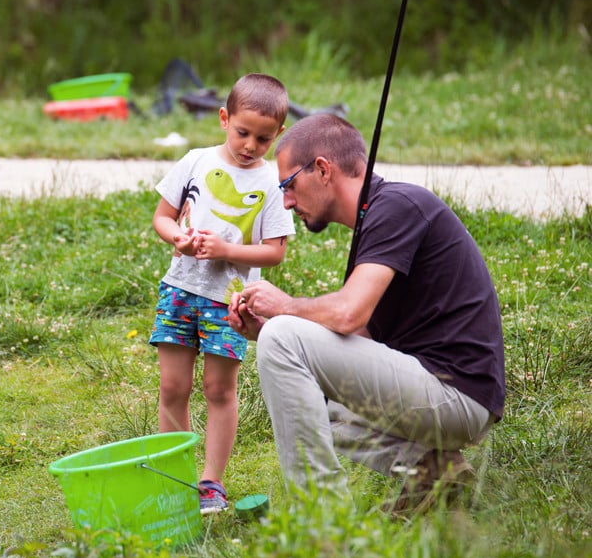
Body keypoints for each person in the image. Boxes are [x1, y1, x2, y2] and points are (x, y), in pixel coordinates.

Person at [228, 113, 505, 514]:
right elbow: (360, 339)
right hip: (439, 391)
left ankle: (321, 522)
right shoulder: (377, 220)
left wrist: (284, 312)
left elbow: (347, 314)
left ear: (322, 169)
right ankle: (435, 473)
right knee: (312, 394)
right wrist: (264, 331)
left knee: (285, 338)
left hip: (457, 396)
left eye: (288, 185)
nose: (286, 201)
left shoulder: (396, 207)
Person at [150, 73, 296, 514]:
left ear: (279, 136)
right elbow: (163, 218)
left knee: (219, 390)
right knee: (172, 385)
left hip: (229, 301)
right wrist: (178, 238)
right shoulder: (194, 161)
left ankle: (211, 482)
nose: (251, 145)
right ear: (223, 118)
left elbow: (275, 253)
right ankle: (172, 477)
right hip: (179, 290)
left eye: (264, 138)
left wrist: (227, 249)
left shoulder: (272, 183)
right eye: (242, 132)